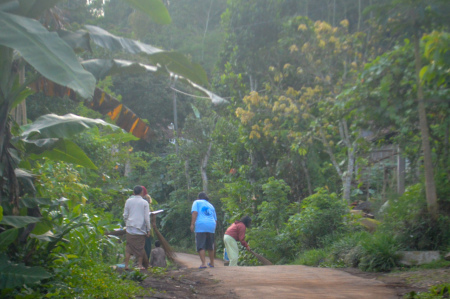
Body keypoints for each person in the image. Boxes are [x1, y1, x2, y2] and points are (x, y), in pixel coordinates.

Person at [123, 185, 151, 270]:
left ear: (133, 192)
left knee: (129, 247)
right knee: (140, 247)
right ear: (142, 192)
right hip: (140, 229)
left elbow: (125, 215)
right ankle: (139, 265)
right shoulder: (145, 203)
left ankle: (126, 265)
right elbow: (147, 218)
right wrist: (148, 229)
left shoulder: (128, 201)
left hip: (130, 228)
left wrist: (127, 223)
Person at [190, 192, 217, 268]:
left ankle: (203, 264)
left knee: (201, 245)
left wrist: (192, 224)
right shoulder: (211, 205)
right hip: (211, 225)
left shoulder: (196, 202)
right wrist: (213, 228)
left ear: (198, 197)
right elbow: (215, 219)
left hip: (201, 225)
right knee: (210, 245)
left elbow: (195, 212)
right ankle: (212, 263)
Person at [141, 186, 153, 260]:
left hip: (144, 227)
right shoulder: (147, 204)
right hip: (146, 227)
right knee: (146, 246)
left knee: (145, 245)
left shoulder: (146, 204)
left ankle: (144, 261)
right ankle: (145, 261)